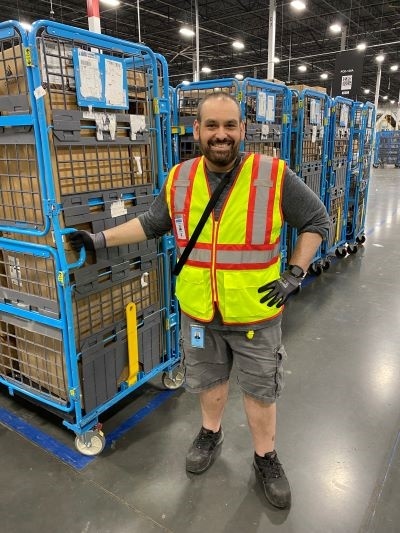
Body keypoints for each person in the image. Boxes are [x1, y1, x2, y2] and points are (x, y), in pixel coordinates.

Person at [70, 93, 329, 509]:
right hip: (197, 311)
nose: (221, 135)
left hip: (255, 313)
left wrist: (295, 274)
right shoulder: (180, 178)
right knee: (207, 380)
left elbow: (317, 221)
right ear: (197, 131)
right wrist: (99, 239)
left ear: (243, 130)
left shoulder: (273, 175)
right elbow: (153, 223)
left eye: (230, 126)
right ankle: (210, 432)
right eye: (212, 126)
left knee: (261, 390)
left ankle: (266, 458)